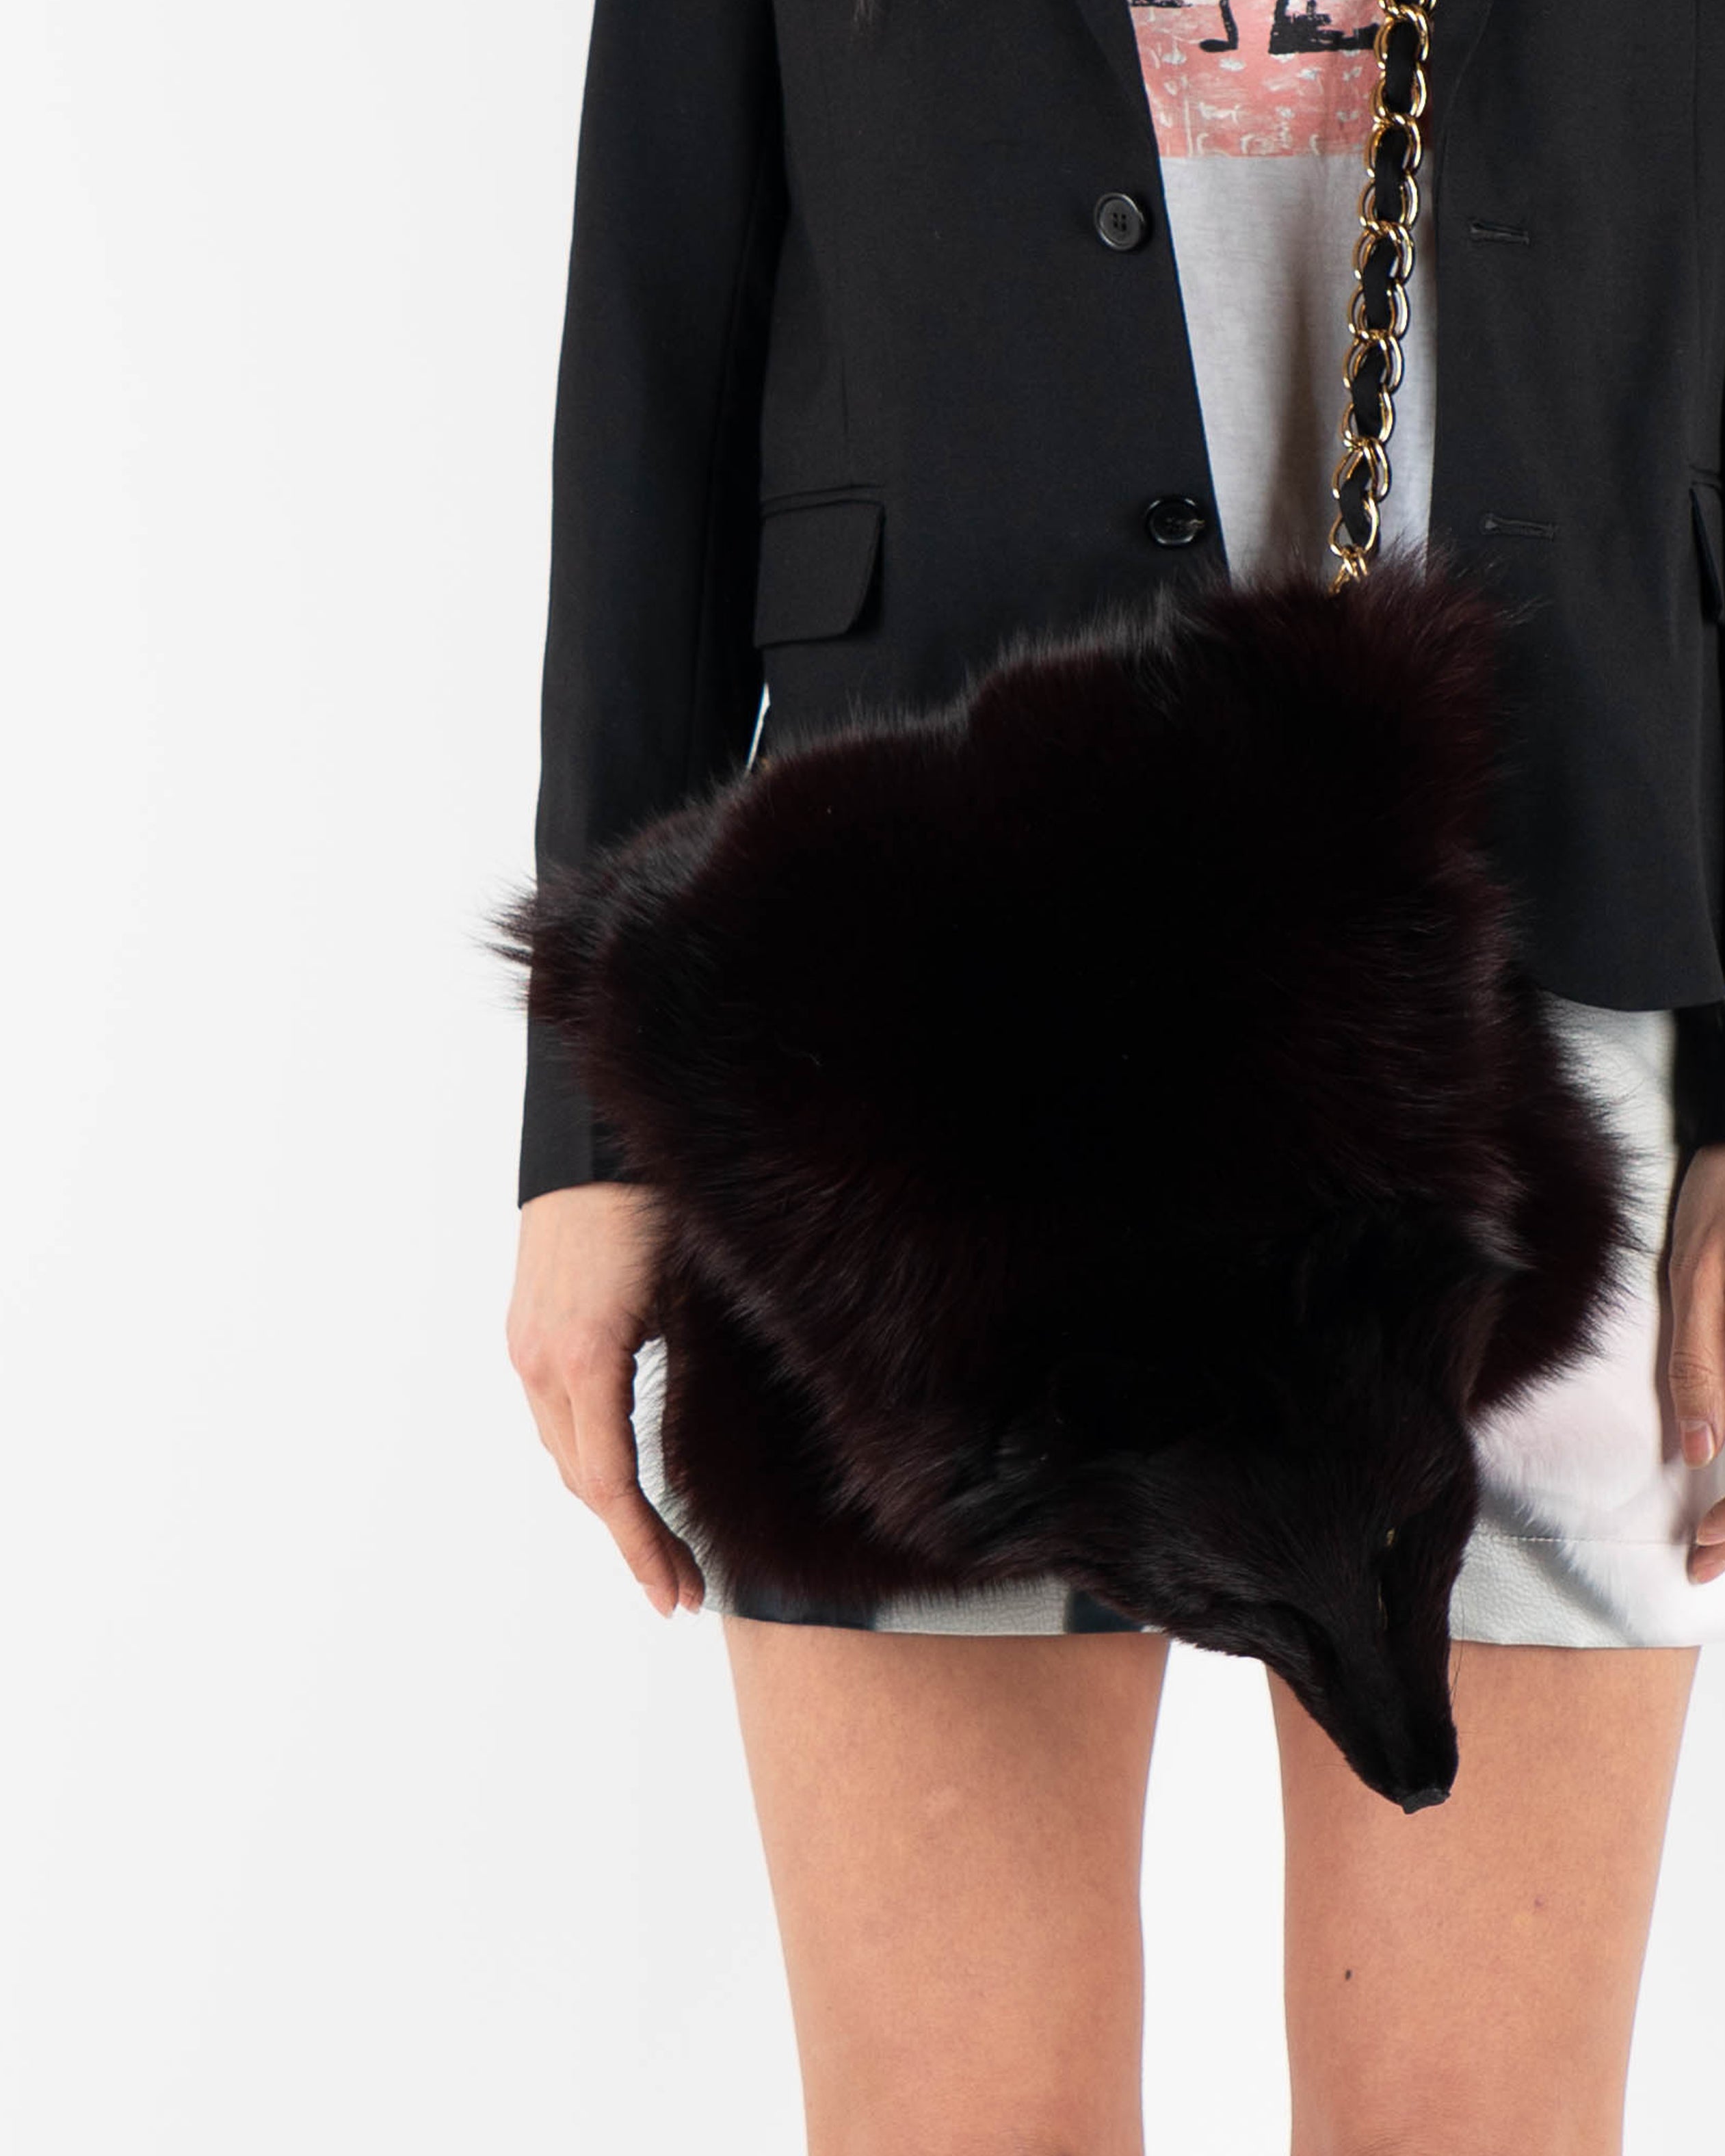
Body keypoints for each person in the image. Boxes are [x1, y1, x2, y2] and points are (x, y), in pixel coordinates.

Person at [505, 0, 1725, 2147]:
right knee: (955, 2118)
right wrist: (585, 1139)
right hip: (907, 1043)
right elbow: (654, 368)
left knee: (1482, 2125)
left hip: (1525, 986)